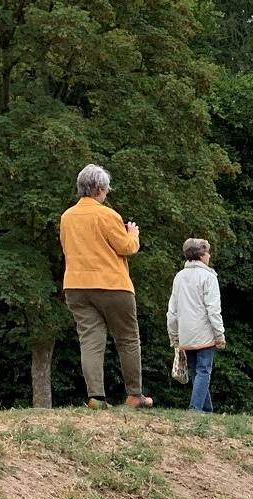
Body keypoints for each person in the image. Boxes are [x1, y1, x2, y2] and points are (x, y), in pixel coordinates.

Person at [60, 164, 150, 409]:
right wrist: (132, 233)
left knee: (90, 340)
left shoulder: (67, 217)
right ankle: (134, 395)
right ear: (99, 189)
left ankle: (96, 398)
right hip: (112, 285)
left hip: (76, 286)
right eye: (107, 189)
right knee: (128, 339)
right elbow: (126, 248)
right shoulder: (108, 215)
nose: (107, 193)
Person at [165, 238, 225, 412]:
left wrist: (173, 334)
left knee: (195, 372)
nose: (209, 255)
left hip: (185, 332)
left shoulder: (179, 277)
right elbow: (213, 309)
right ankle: (195, 409)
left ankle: (206, 410)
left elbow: (172, 309)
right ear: (201, 254)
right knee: (204, 371)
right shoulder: (208, 277)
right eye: (207, 252)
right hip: (204, 332)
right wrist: (219, 334)